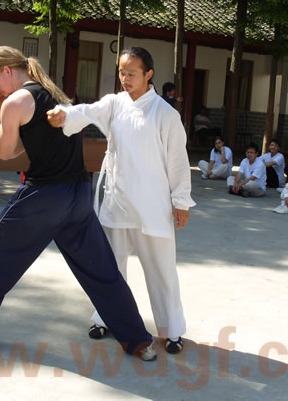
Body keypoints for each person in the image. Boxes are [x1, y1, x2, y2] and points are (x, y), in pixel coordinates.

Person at [0, 46, 156, 361]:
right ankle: (138, 341)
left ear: (7, 70)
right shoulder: (55, 95)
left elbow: (4, 152)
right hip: (79, 194)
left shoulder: (15, 102)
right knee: (102, 271)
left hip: (45, 196)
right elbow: (23, 145)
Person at [47, 47, 195, 354]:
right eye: (121, 72)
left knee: (161, 269)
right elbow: (86, 112)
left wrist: (181, 201)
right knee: (109, 267)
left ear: (148, 74)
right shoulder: (115, 104)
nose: (125, 78)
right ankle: (105, 317)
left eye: (131, 73)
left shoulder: (166, 114)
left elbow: (178, 160)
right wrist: (64, 114)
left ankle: (170, 330)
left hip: (153, 205)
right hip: (118, 200)